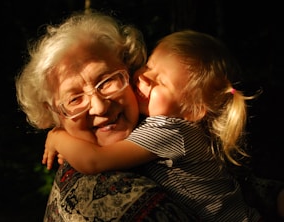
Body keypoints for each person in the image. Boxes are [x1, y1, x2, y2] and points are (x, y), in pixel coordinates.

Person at [43, 30, 264, 221]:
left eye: (161, 83)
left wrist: (58, 137)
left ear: (192, 111)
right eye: (149, 66)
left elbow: (94, 160)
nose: (145, 78)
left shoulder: (169, 130)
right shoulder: (170, 126)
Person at [15, 11, 198, 221]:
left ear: (129, 72)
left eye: (107, 81)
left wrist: (58, 137)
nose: (100, 107)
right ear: (55, 114)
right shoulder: (118, 198)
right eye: (75, 99)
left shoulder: (168, 126)